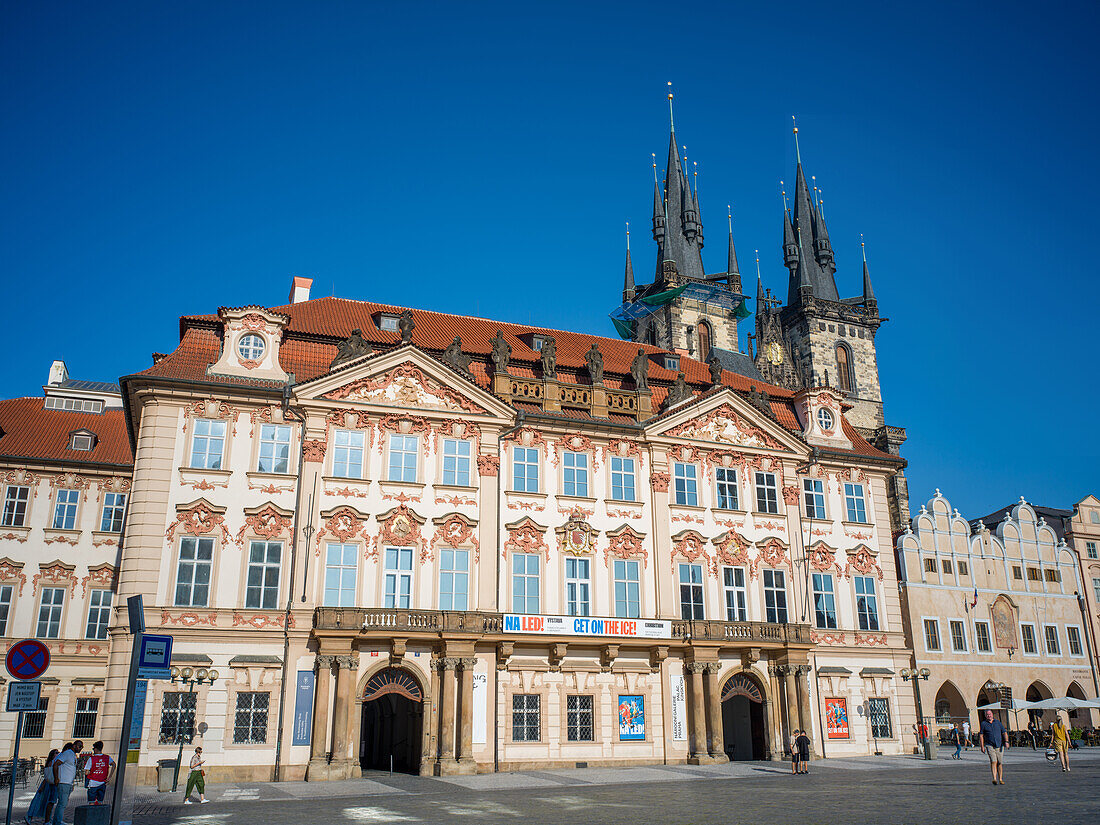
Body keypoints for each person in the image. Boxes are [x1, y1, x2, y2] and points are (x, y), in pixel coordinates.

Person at [50, 740, 83, 825]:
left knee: (63, 803)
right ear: (74, 745)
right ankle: (57, 822)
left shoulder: (73, 755)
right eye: (79, 746)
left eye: (82, 747)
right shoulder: (67, 753)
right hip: (63, 782)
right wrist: (56, 778)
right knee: (62, 803)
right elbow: (56, 764)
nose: (81, 749)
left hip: (68, 783)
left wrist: (72, 783)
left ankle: (58, 820)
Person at [24, 748, 59, 824]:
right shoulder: (51, 763)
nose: (58, 753)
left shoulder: (54, 762)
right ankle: (29, 816)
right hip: (47, 785)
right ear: (52, 755)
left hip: (49, 784)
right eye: (56, 752)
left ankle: (47, 818)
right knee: (39, 801)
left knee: (47, 802)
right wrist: (42, 787)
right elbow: (47, 776)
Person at [979, 709, 1008, 785]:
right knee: (993, 761)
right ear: (986, 716)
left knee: (999, 762)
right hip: (989, 745)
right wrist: (982, 746)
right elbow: (981, 735)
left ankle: (1000, 779)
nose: (989, 716)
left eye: (990, 714)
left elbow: (1004, 732)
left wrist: (1006, 741)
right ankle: (994, 778)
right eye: (987, 715)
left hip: (999, 745)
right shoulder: (984, 724)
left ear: (992, 714)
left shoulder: (997, 722)